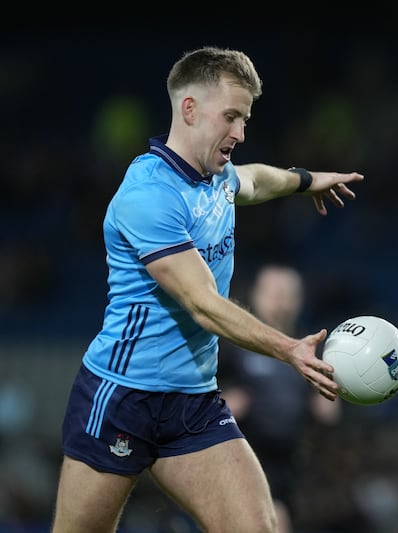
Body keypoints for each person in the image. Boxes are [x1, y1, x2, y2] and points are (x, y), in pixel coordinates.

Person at [51, 46, 364, 533]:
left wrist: (307, 181)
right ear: (190, 109)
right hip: (122, 398)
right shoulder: (148, 196)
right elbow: (203, 305)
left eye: (246, 119)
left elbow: (257, 181)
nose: (240, 133)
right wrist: (289, 349)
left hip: (194, 404)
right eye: (232, 117)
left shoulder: (216, 177)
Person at [218, 264, 341, 533]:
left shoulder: (312, 349)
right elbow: (199, 396)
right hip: (241, 455)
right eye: (273, 291)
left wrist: (328, 403)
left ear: (300, 299)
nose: (280, 298)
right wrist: (223, 405)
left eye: (288, 292)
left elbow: (329, 412)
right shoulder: (232, 345)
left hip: (290, 465)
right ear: (256, 294)